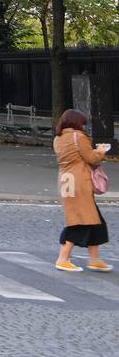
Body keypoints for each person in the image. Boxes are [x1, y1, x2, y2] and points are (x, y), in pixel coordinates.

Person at [52, 108, 111, 273]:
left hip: (66, 181)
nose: (84, 126)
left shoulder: (58, 138)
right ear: (76, 122)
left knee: (94, 220)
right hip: (79, 181)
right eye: (83, 123)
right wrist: (100, 151)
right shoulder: (78, 136)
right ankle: (63, 258)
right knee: (80, 221)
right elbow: (91, 158)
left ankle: (95, 258)